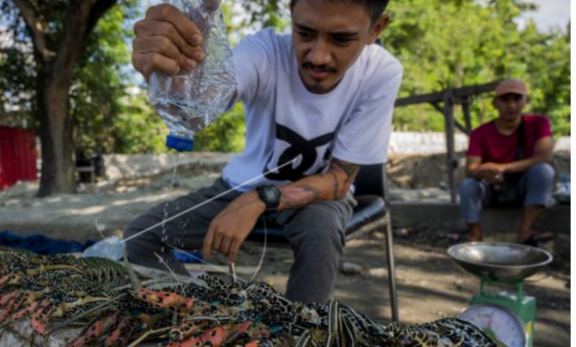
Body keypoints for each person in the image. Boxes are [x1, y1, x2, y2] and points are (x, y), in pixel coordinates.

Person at [126, 0, 403, 303]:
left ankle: (303, 337)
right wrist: (174, 72)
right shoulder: (265, 53)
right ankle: (203, 312)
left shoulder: (381, 71)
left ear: (375, 29)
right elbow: (197, 105)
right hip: (238, 186)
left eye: (341, 39)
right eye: (305, 33)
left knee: (321, 235)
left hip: (316, 194)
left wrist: (261, 199)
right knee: (140, 239)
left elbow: (339, 180)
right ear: (292, 15)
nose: (319, 56)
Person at [458, 79, 555, 244]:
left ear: (525, 101)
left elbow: (544, 156)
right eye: (505, 100)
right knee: (467, 185)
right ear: (495, 103)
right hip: (493, 190)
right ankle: (475, 235)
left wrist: (502, 167)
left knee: (544, 171)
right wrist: (485, 172)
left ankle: (525, 233)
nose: (511, 105)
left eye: (516, 99)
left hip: (524, 188)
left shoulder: (538, 123)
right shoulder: (480, 133)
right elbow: (471, 168)